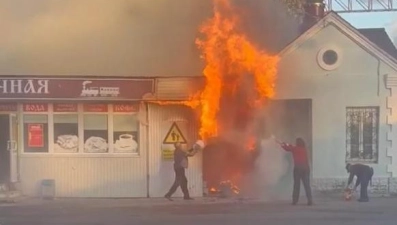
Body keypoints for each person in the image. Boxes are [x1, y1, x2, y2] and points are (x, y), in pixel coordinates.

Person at [279, 138, 313, 206]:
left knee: (296, 185)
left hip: (298, 168)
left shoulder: (295, 148)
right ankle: (310, 200)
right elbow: (291, 146)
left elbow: (287, 148)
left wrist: (281, 144)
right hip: (306, 168)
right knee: (307, 185)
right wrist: (286, 143)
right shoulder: (304, 149)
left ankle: (295, 201)